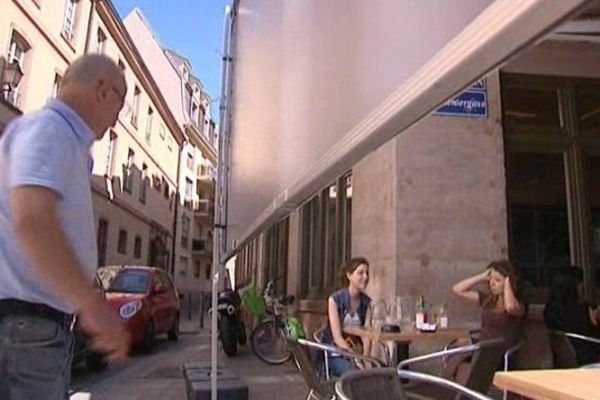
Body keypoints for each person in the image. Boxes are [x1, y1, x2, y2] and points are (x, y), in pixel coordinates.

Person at [0, 54, 130, 400]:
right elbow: (34, 220)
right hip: (25, 330)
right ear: (102, 90)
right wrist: (91, 305)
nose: (115, 120)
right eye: (120, 103)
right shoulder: (50, 129)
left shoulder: (61, 138)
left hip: (32, 329)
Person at [450, 260, 526, 382]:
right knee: (458, 347)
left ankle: (463, 391)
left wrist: (507, 282)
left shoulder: (519, 305)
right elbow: (457, 289)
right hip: (481, 347)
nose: (492, 284)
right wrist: (482, 276)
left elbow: (510, 308)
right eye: (490, 280)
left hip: (499, 353)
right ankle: (458, 388)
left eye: (497, 280)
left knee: (465, 363)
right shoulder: (488, 300)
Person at [322, 257, 372, 377]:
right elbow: (337, 337)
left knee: (381, 373)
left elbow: (367, 335)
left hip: (357, 353)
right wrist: (355, 359)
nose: (365, 277)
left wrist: (365, 360)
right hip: (335, 354)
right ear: (349, 275)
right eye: (360, 273)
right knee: (356, 375)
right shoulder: (335, 299)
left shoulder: (367, 302)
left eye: (367, 273)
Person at [544, 269, 600, 365]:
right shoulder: (585, 311)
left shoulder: (549, 311)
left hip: (566, 362)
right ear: (571, 288)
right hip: (591, 358)